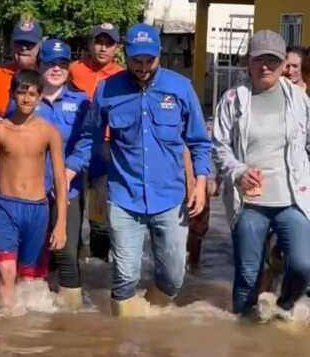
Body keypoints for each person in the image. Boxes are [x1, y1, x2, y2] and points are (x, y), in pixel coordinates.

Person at [66, 24, 211, 316]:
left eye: (150, 61)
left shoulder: (180, 88)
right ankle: (125, 337)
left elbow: (199, 142)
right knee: (125, 278)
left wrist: (201, 184)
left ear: (159, 55)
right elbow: (89, 137)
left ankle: (151, 322)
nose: (143, 68)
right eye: (137, 61)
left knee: (173, 278)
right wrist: (69, 170)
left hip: (170, 197)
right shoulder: (108, 89)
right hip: (124, 197)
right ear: (127, 56)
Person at [212, 30, 310, 320]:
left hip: (292, 199)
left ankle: (284, 308)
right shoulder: (233, 100)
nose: (265, 66)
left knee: (304, 265)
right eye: (259, 60)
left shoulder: (300, 100)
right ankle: (243, 335)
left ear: (283, 64)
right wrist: (238, 172)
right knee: (247, 275)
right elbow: (219, 147)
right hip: (250, 202)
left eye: (272, 60)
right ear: (248, 63)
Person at [4, 39, 90, 308]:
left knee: (65, 252)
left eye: (62, 64)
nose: (56, 68)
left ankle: (71, 314)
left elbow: (88, 140)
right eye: (50, 63)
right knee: (30, 252)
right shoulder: (23, 100)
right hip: (29, 192)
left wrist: (70, 169)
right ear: (40, 66)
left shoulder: (81, 102)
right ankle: (25, 311)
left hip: (68, 187)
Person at [0, 69, 68, 310]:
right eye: (21, 93)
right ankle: (5, 323)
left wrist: (61, 224)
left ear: (39, 97)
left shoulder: (49, 132)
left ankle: (26, 337)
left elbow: (59, 179)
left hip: (37, 209)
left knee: (30, 279)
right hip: (5, 206)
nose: (26, 99)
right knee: (6, 271)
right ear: (12, 94)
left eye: (33, 94)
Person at [0, 20, 43, 272]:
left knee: (41, 251)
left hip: (38, 175)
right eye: (19, 43)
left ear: (39, 46)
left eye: (30, 44)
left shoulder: (49, 76)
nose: (24, 49)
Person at [68, 23, 124, 262]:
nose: (102, 48)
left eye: (108, 43)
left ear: (117, 48)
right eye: (98, 42)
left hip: (106, 150)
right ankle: (73, 260)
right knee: (73, 204)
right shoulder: (74, 70)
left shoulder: (122, 75)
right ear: (90, 44)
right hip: (74, 144)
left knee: (99, 213)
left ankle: (99, 268)